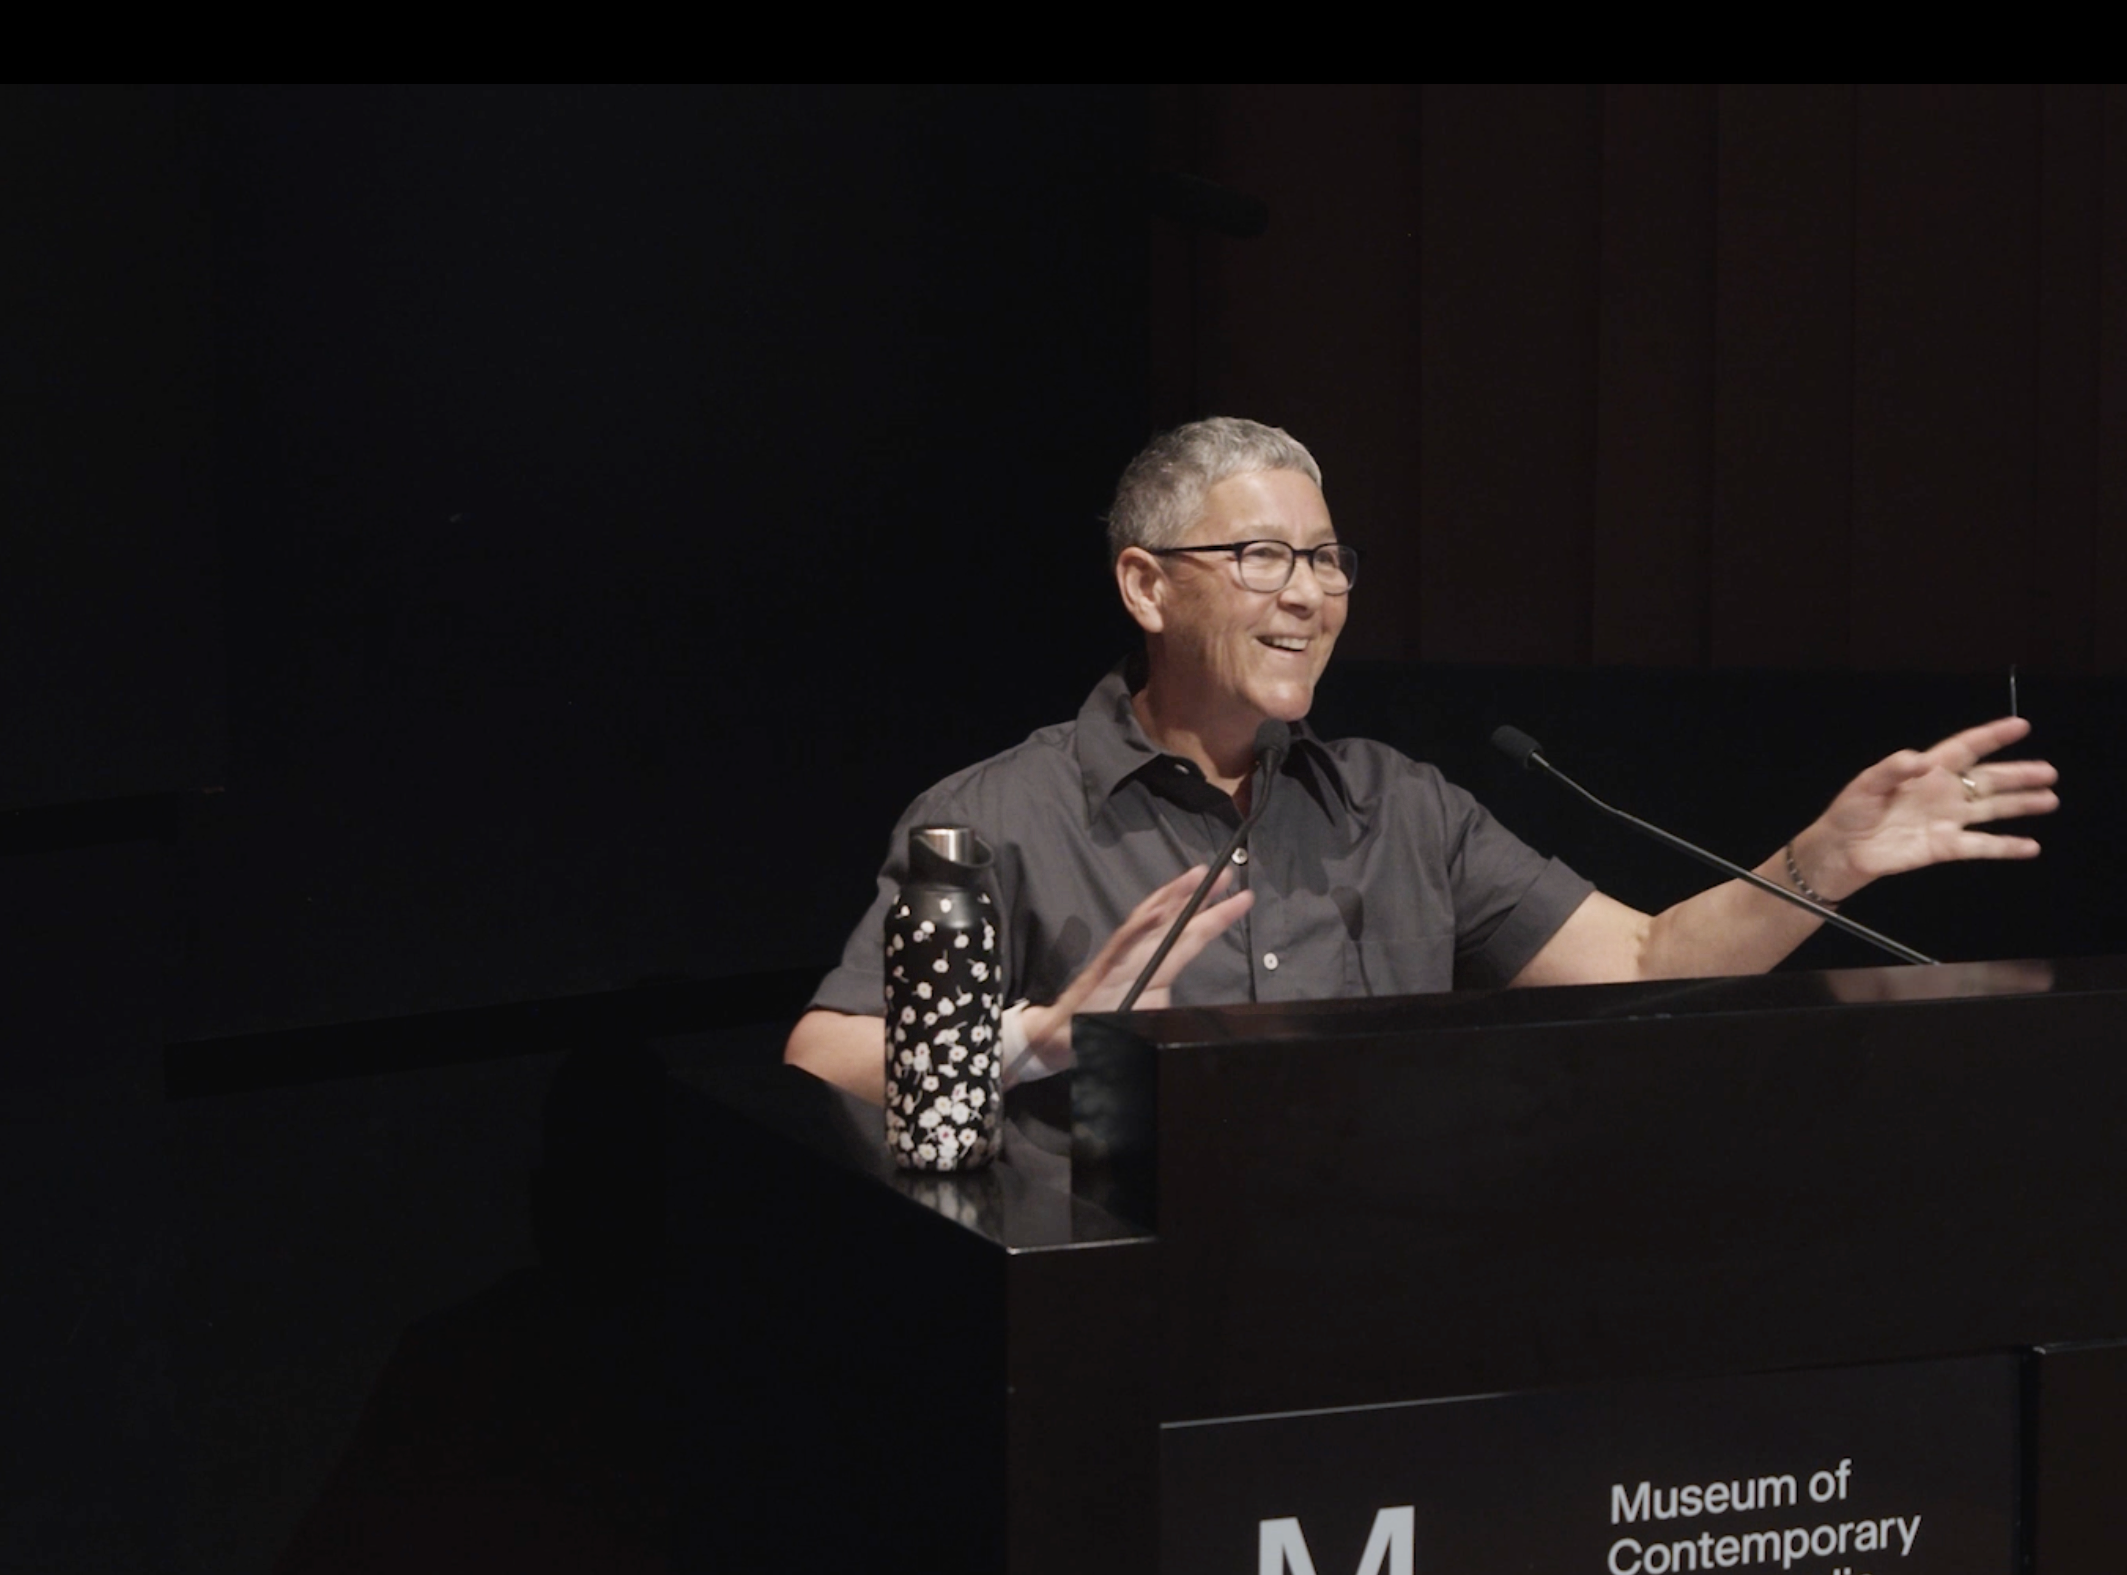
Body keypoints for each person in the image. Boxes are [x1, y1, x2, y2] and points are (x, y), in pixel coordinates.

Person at [785, 418, 2057, 1141]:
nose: (1308, 592)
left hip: (1389, 1312)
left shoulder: (1404, 805)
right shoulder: (995, 814)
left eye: (1329, 559)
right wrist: (1026, 1042)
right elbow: (823, 1051)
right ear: (1145, 584)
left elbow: (1647, 967)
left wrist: (1817, 863)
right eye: (1262, 554)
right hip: (1113, 1330)